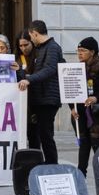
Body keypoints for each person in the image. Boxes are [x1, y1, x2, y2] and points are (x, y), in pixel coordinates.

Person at [17, 20, 64, 164]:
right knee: (38, 134)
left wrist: (29, 80)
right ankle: (39, 164)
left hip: (48, 99)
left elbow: (50, 69)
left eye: (31, 37)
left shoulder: (53, 47)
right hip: (40, 99)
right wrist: (20, 71)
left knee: (46, 135)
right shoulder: (42, 48)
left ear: (35, 33)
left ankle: (52, 165)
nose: (31, 40)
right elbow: (37, 72)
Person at [69, 37, 99, 175]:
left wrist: (96, 98)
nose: (79, 53)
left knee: (97, 146)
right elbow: (70, 91)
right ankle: (81, 174)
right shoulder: (75, 69)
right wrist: (72, 108)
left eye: (83, 50)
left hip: (97, 113)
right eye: (78, 50)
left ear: (92, 52)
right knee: (83, 144)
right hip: (80, 113)